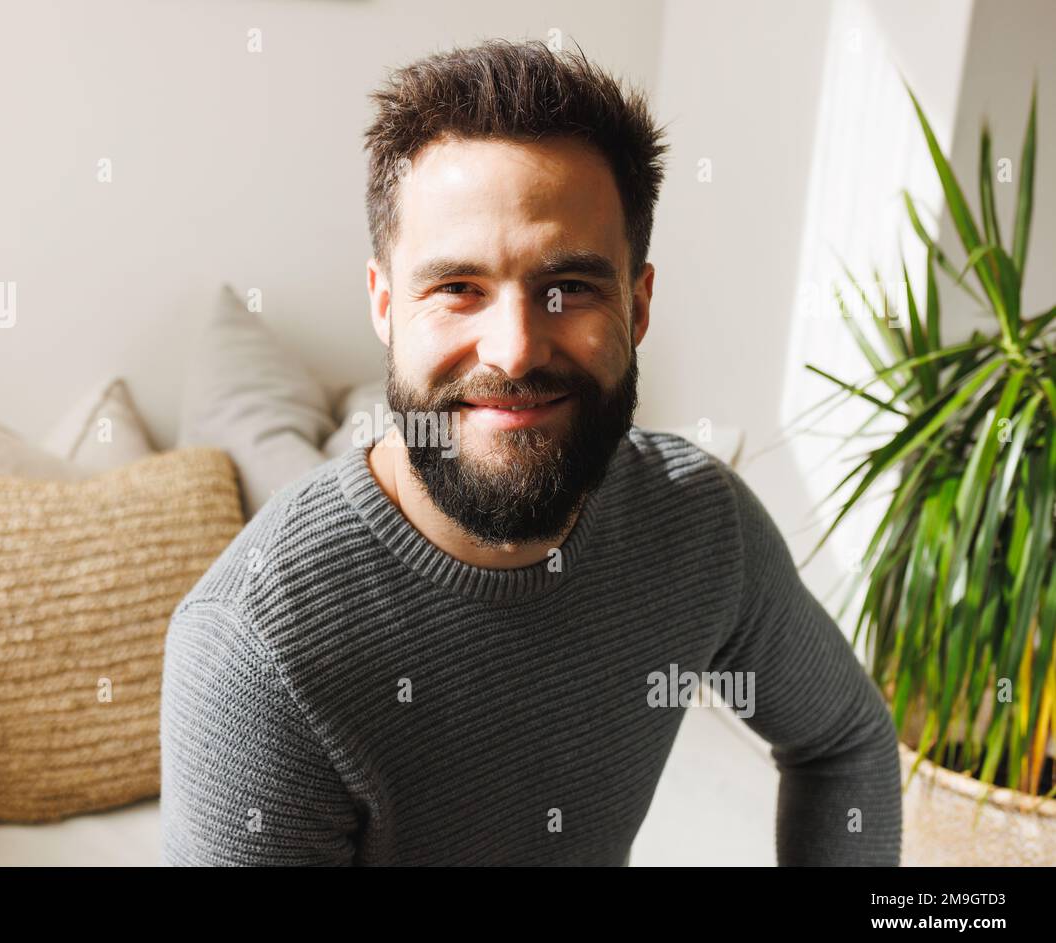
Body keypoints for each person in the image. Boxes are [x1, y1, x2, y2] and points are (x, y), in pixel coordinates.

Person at [160, 37, 901, 866]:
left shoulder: (702, 527)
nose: (512, 351)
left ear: (639, 303)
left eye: (571, 287)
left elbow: (845, 740)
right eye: (457, 288)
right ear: (384, 305)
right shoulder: (253, 654)